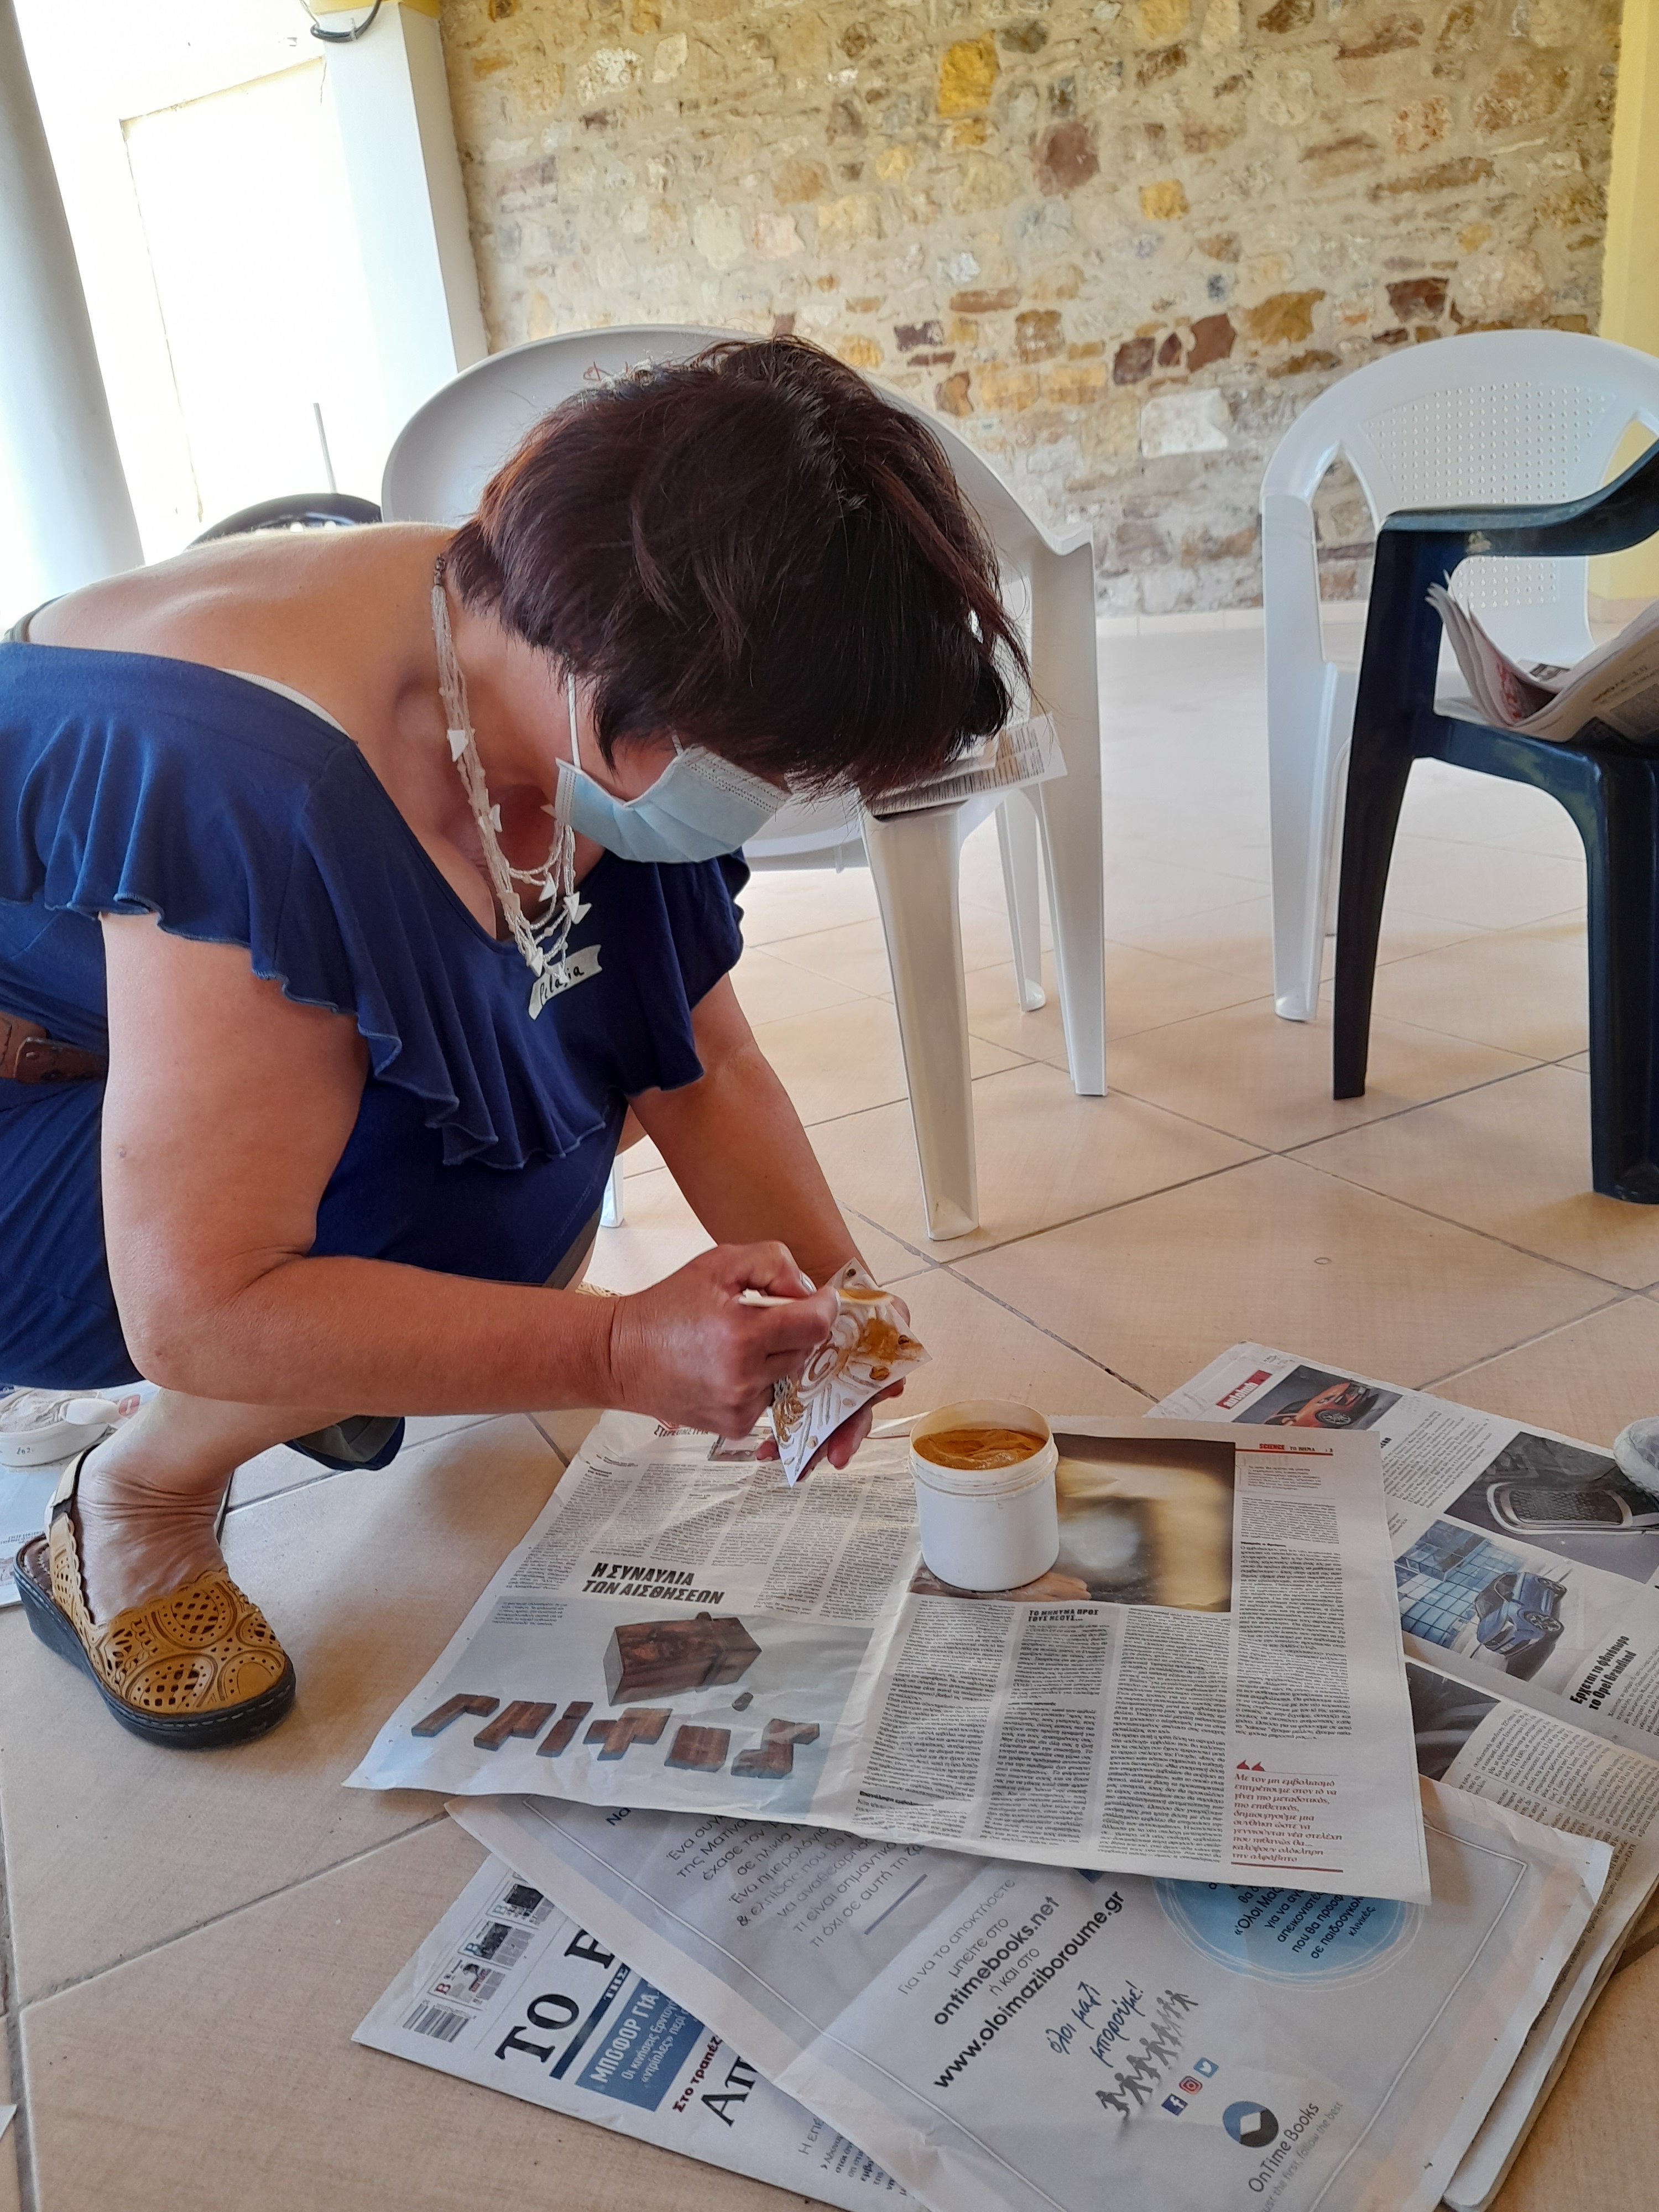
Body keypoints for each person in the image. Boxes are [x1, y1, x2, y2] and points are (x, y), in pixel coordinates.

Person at [0, 336, 1026, 1748]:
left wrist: (843, 1310)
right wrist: (612, 1350)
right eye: (771, 771)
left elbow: (701, 1061)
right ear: (620, 692)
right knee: (476, 1205)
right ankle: (133, 1492)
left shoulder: (571, 652)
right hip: (28, 1110)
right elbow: (197, 1304)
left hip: (154, 1055)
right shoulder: (267, 780)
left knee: (548, 1117)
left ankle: (346, 1342)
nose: (772, 799)